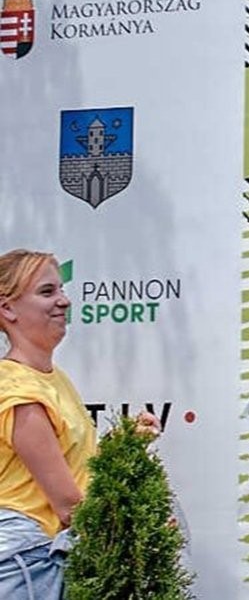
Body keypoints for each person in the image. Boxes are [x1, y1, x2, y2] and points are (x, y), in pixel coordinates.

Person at [0, 249, 162, 597]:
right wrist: (142, 532)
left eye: (61, 289)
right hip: (25, 566)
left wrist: (123, 444)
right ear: (7, 309)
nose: (64, 300)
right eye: (47, 292)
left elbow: (75, 471)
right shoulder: (18, 390)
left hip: (43, 559)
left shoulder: (53, 378)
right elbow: (70, 506)